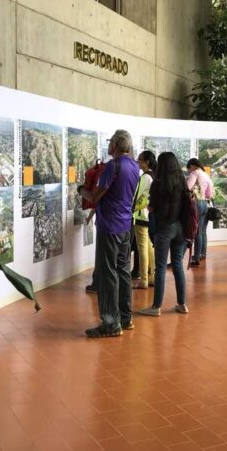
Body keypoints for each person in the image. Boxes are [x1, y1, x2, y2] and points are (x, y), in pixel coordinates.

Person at [78, 130, 140, 338]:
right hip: (125, 226)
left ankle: (111, 323)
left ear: (114, 145)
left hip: (109, 226)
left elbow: (95, 197)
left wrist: (81, 190)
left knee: (107, 274)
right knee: (123, 272)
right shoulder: (134, 166)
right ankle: (125, 317)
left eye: (110, 142)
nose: (109, 145)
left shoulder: (112, 166)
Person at [137, 152, 190, 317]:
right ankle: (182, 304)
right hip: (181, 228)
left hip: (164, 228)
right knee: (177, 265)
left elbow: (151, 207)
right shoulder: (182, 181)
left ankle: (156, 306)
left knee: (160, 267)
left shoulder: (158, 183)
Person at [132, 151, 156, 289]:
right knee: (149, 247)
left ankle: (144, 280)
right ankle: (152, 277)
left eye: (140, 160)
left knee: (142, 249)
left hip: (142, 215)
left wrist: (131, 210)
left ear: (146, 162)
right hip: (150, 216)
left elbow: (138, 197)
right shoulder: (153, 176)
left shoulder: (145, 177)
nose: (137, 162)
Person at [186, 158, 213, 266]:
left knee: (197, 232)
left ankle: (196, 258)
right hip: (205, 203)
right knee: (202, 231)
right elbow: (210, 194)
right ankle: (202, 254)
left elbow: (187, 187)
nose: (189, 171)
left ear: (192, 166)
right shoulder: (206, 175)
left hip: (197, 203)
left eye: (189, 168)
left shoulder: (195, 173)